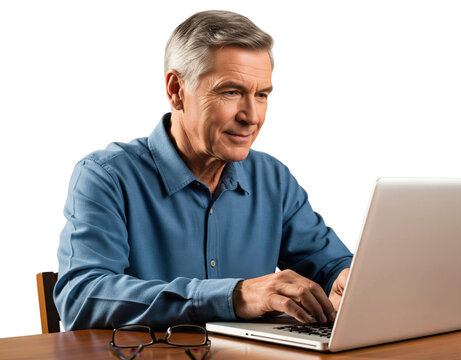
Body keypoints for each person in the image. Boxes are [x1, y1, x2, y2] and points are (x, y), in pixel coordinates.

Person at [54, 10, 352, 331]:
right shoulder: (106, 176)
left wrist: (349, 280)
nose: (251, 116)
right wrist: (235, 296)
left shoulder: (273, 178)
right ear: (176, 91)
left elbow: (331, 266)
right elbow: (80, 297)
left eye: (261, 95)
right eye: (231, 92)